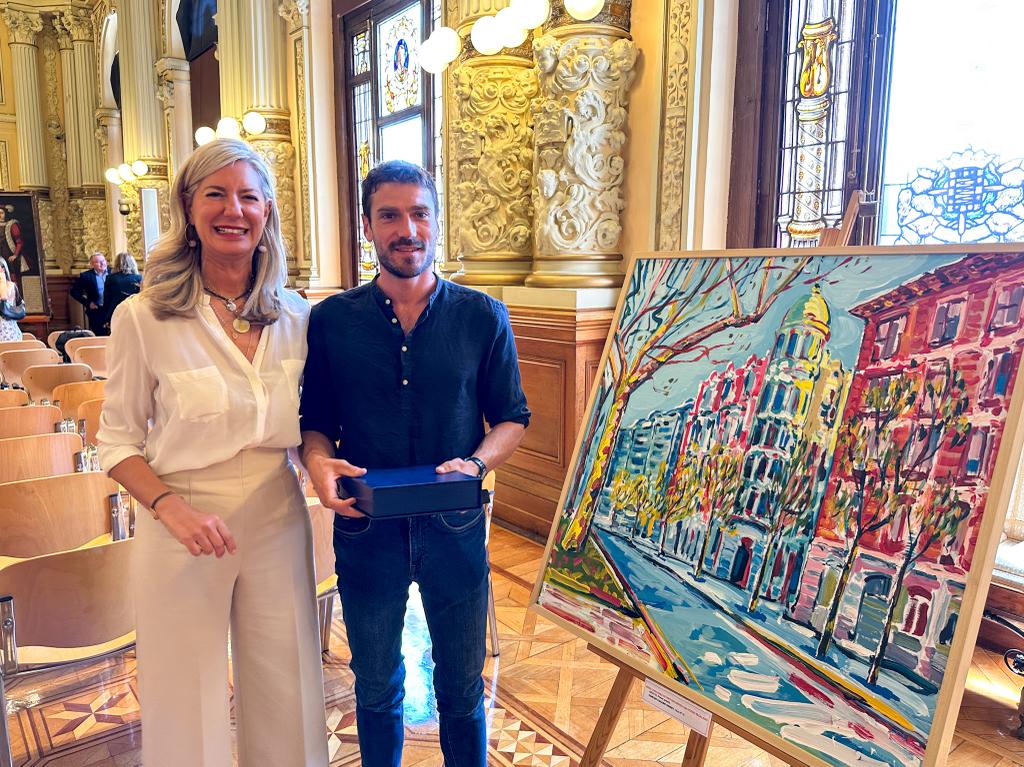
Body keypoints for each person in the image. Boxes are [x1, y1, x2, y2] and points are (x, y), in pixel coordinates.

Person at [97, 138, 329, 767]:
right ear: (189, 209)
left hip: (278, 511)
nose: (234, 210)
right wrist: (170, 508)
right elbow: (116, 440)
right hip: (182, 516)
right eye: (216, 195)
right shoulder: (144, 317)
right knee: (185, 691)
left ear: (267, 210)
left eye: (248, 196)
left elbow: (310, 424)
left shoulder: (296, 316)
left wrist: (321, 461)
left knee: (288, 681)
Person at [300, 160, 530, 767]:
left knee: (461, 690)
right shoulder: (331, 321)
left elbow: (512, 417)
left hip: (455, 528)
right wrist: (318, 464)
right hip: (364, 527)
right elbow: (313, 422)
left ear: (436, 220)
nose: (408, 229)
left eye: (419, 213)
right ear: (368, 227)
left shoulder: (482, 316)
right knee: (376, 688)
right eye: (390, 216)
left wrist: (476, 464)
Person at [70, 252, 110, 334]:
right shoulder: (86, 276)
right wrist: (88, 303)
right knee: (99, 334)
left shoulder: (113, 273)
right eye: (98, 262)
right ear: (92, 264)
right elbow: (74, 292)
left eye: (103, 261)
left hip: (112, 309)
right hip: (97, 311)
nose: (102, 263)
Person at [101, 251, 142, 332]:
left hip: (116, 311)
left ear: (117, 264)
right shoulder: (139, 278)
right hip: (134, 312)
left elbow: (107, 300)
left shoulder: (110, 278)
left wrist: (106, 318)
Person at [0, 204, 30, 277]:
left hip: (10, 254)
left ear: (5, 214)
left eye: (1, 213)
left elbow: (19, 242)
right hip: (1, 254)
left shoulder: (11, 225)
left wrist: (15, 255)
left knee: (12, 274)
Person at [0, 258, 21, 342]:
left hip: (7, 330)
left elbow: (3, 300)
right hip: (13, 330)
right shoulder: (12, 285)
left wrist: (2, 280)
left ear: (3, 269)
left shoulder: (10, 286)